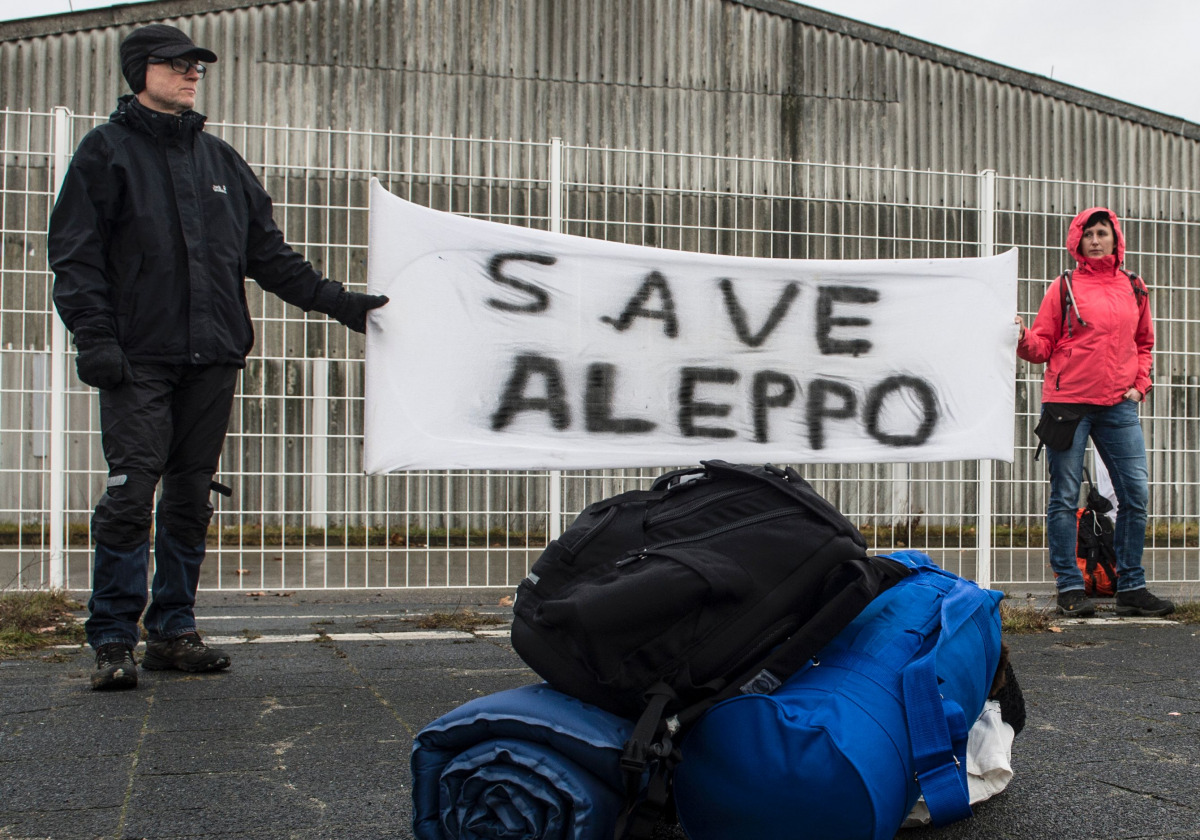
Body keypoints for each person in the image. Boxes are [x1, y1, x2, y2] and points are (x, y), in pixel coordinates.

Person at [48, 24, 389, 690]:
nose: (191, 73)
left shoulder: (223, 163)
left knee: (188, 498)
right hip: (137, 359)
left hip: (213, 356)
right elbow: (75, 256)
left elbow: (268, 257)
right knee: (130, 493)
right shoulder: (103, 154)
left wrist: (340, 303)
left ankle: (173, 629)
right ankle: (113, 636)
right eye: (176, 64)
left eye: (196, 65)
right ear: (139, 72)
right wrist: (95, 339)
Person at [1015, 207, 1173, 618]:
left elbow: (1145, 343)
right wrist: (1021, 337)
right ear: (1077, 242)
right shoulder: (1063, 286)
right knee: (1064, 498)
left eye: (1103, 233)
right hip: (1068, 405)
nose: (1097, 240)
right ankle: (1070, 587)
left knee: (1135, 496)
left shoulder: (1134, 287)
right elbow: (1042, 346)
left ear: (1115, 239)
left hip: (1118, 406)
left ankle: (1131, 587)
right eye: (1089, 235)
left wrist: (1140, 386)